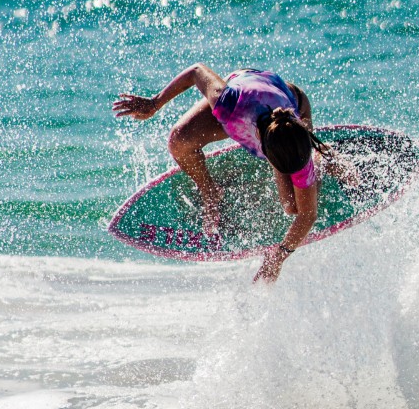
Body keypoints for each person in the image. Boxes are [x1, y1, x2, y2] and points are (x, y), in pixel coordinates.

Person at [113, 65, 326, 282]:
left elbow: (307, 215)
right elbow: (197, 71)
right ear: (264, 150)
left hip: (291, 107)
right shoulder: (230, 105)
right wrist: (154, 103)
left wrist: (278, 258)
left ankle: (324, 158)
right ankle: (210, 191)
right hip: (246, 94)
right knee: (179, 140)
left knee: (291, 206)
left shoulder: (295, 135)